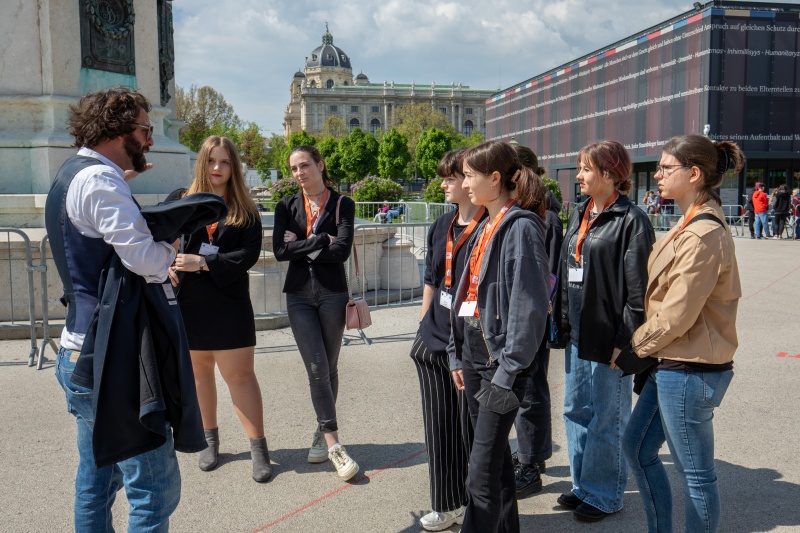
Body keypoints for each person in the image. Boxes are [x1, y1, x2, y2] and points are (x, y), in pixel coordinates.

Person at [46, 88, 188, 531]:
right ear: (117, 130)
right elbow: (144, 260)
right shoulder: (101, 181)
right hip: (109, 361)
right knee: (153, 488)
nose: (149, 140)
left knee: (97, 480)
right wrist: (172, 250)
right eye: (145, 130)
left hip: (79, 350)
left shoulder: (72, 172)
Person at [618, 134, 744, 533]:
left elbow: (676, 315)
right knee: (636, 448)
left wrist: (631, 348)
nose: (656, 175)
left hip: (690, 368)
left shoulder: (703, 234)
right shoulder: (688, 222)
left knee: (697, 475)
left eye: (665, 168)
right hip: (672, 363)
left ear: (694, 174)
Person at [448, 141, 551, 533]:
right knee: (496, 467)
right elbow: (467, 294)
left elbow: (528, 309)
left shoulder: (521, 227)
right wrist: (457, 353)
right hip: (476, 354)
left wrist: (507, 372)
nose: (465, 182)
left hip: (500, 365)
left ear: (495, 179)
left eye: (471, 175)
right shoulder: (486, 224)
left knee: (480, 475)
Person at [554, 140, 654, 522]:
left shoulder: (632, 220)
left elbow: (638, 291)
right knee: (575, 410)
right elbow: (568, 275)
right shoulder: (580, 212)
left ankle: (606, 494)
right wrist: (563, 325)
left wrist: (625, 343)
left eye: (585, 169)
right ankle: (584, 485)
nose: (578, 176)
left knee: (606, 418)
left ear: (610, 174)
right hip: (579, 334)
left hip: (609, 339)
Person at [166, 136, 270, 482]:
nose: (217, 169)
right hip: (189, 305)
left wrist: (204, 264)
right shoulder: (180, 202)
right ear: (202, 163)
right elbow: (157, 243)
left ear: (233, 167)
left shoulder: (245, 209)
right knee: (198, 376)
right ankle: (210, 442)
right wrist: (165, 266)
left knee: (240, 377)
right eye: (212, 161)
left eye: (224, 162)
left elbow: (247, 256)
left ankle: (258, 448)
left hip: (229, 305)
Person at [273, 145, 360, 481]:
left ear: (320, 166)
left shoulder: (343, 204)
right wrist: (320, 239)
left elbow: (340, 251)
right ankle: (334, 444)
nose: (299, 173)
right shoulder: (285, 205)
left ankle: (320, 432)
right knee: (317, 366)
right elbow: (280, 251)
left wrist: (304, 243)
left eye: (305, 165)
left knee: (330, 367)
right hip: (298, 295)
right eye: (294, 168)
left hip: (332, 294)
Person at [410, 149, 485, 531]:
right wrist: (422, 328)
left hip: (469, 346)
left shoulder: (492, 226)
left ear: (471, 182)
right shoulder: (441, 225)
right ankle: (447, 503)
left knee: (470, 432)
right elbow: (431, 279)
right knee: (439, 431)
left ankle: (479, 507)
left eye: (450, 178)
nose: (442, 184)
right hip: (434, 340)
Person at [511, 146, 563, 499]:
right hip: (526, 314)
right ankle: (533, 455)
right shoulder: (529, 212)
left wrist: (540, 316)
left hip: (533, 316)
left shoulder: (545, 217)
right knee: (528, 389)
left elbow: (552, 274)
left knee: (529, 391)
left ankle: (530, 465)